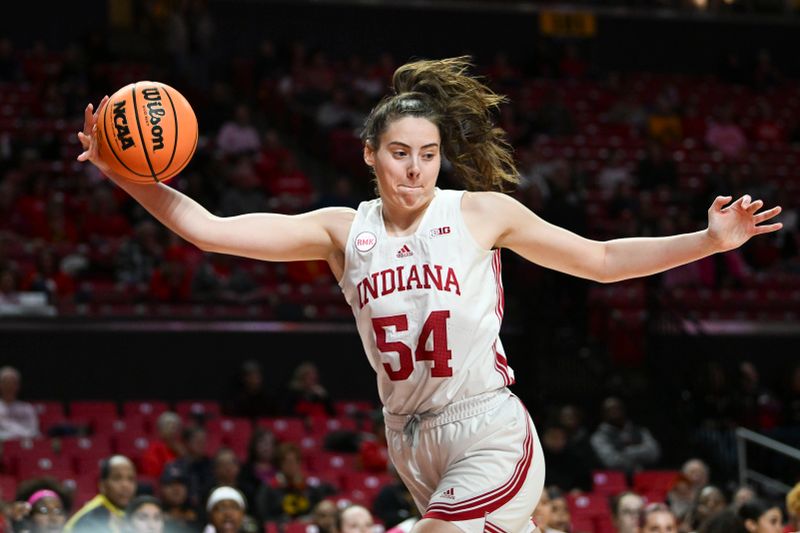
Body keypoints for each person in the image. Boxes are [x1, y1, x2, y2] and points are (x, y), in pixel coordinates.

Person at [77, 55, 783, 533]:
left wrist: (708, 240)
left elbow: (599, 259)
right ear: (368, 153)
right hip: (409, 441)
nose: (414, 169)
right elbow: (208, 229)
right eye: (398, 152)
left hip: (488, 431)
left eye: (428, 154)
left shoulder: (480, 213)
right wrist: (124, 171)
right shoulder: (339, 230)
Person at [590, 396, 662, 476]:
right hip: (617, 482)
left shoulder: (640, 431)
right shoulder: (599, 437)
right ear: (603, 414)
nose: (614, 412)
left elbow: (654, 454)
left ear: (623, 410)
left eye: (617, 408)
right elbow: (612, 462)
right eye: (609, 410)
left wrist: (627, 451)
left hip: (648, 477)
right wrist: (638, 460)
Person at [64, 455, 138, 533]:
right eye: (117, 478)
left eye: (131, 479)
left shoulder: (128, 512)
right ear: (102, 485)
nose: (125, 485)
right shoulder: (90, 520)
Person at [0, 366, 39, 441]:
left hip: (24, 447)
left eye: (13, 383)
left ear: (18, 386)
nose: (9, 386)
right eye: (6, 383)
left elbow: (34, 431)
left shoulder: (27, 408)